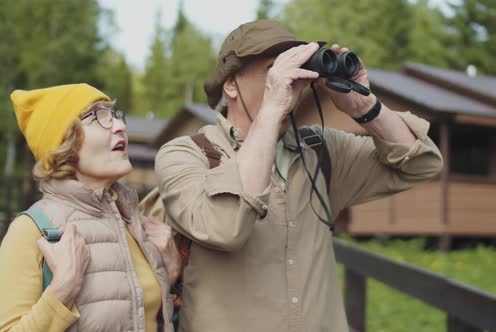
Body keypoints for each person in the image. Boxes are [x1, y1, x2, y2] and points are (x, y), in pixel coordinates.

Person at [155, 20, 443, 332]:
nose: (289, 79)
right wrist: (272, 109)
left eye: (294, 67)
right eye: (273, 69)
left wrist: (364, 106)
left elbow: (421, 164)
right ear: (230, 83)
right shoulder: (186, 155)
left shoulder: (319, 150)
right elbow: (226, 229)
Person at [0, 84, 179, 332]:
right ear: (64, 143)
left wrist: (169, 277)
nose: (120, 126)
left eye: (115, 115)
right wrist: (62, 291)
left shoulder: (134, 223)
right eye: (98, 117)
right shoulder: (30, 230)